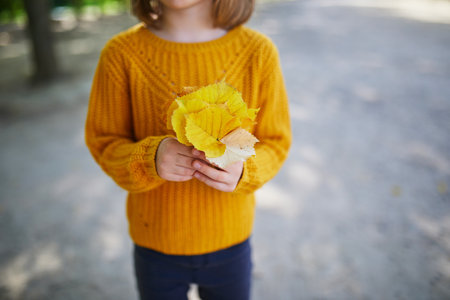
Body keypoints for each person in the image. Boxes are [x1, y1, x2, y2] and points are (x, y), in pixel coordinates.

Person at [85, 0, 291, 299]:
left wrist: (245, 169)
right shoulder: (121, 54)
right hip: (155, 244)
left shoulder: (257, 52)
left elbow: (276, 140)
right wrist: (150, 158)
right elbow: (104, 142)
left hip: (230, 242)